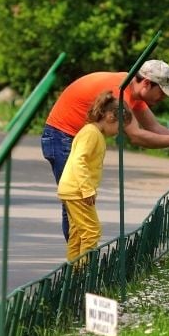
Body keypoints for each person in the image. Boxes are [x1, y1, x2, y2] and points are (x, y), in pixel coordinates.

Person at [41, 60, 169, 239]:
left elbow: (154, 128)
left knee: (76, 205)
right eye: (162, 93)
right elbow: (136, 135)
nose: (162, 99)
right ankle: (80, 262)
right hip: (62, 137)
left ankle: (80, 260)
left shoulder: (133, 91)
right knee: (77, 201)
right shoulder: (120, 93)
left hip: (77, 140)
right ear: (147, 83)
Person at [56, 91, 130, 262]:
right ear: (111, 116)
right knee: (91, 231)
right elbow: (79, 160)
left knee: (77, 234)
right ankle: (85, 273)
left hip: (72, 189)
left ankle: (74, 272)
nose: (119, 132)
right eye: (120, 126)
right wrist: (87, 189)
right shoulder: (91, 133)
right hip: (78, 190)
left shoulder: (93, 133)